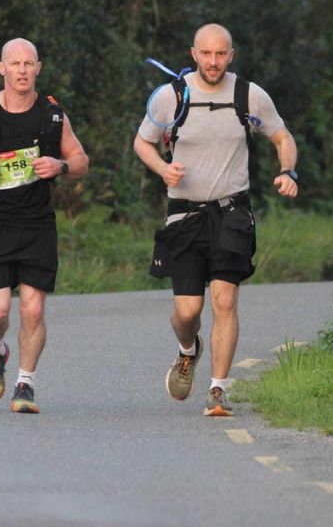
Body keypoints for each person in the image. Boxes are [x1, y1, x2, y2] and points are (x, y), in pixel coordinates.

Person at [133, 23, 299, 417]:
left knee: (225, 299)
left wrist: (287, 171)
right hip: (184, 214)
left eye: (220, 54)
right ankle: (188, 350)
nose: (213, 61)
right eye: (206, 54)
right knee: (188, 311)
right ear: (194, 54)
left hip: (231, 212)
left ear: (231, 54)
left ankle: (218, 390)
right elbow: (143, 141)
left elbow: (282, 137)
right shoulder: (172, 96)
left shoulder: (249, 95)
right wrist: (162, 168)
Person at [0, 37, 89, 414]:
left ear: (38, 69)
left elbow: (81, 159)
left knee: (33, 309)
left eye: (29, 64)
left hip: (36, 222)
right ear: (1, 68)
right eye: (15, 63)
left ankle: (26, 383)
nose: (22, 70)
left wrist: (61, 166)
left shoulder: (53, 116)